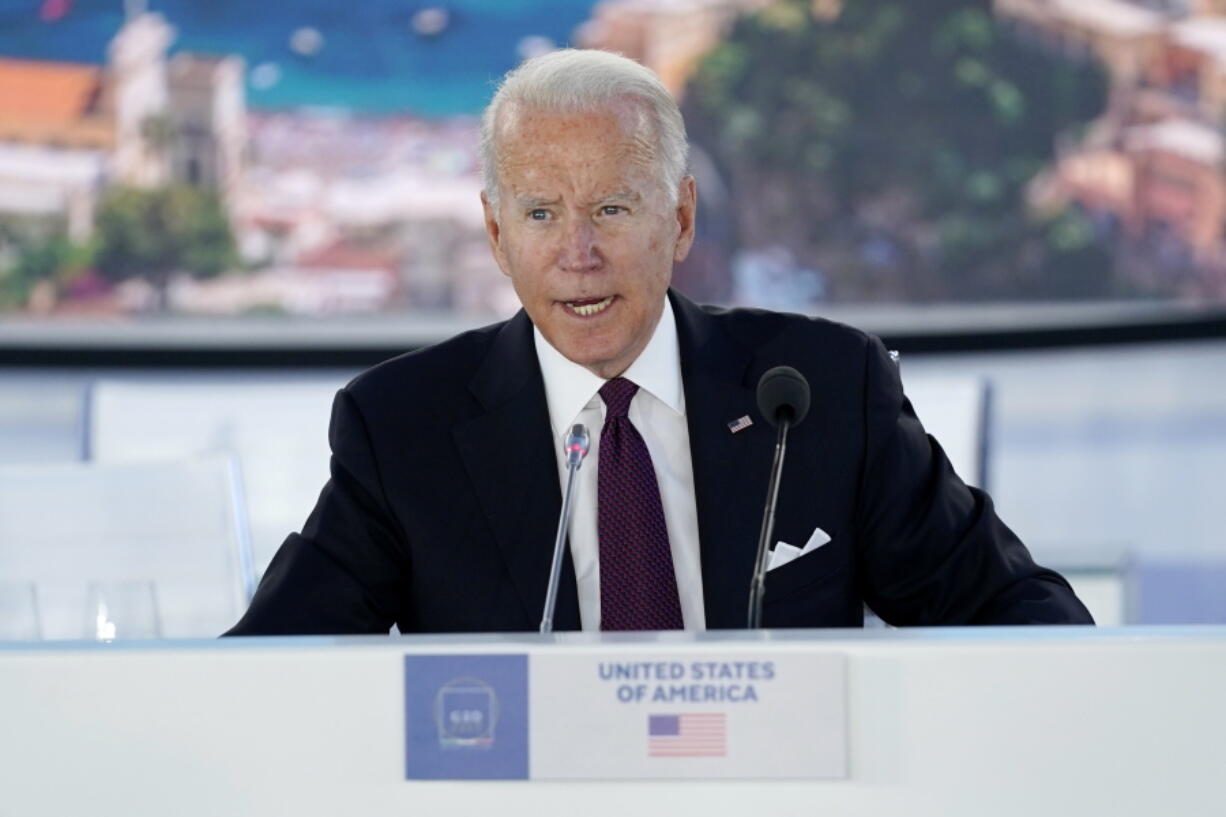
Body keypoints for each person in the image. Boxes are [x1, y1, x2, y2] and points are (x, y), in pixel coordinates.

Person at [227, 49, 1092, 636]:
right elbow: (279, 667)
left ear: (678, 218)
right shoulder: (401, 427)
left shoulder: (819, 389)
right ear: (495, 235)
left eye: (611, 208)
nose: (578, 254)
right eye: (539, 214)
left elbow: (1020, 613)